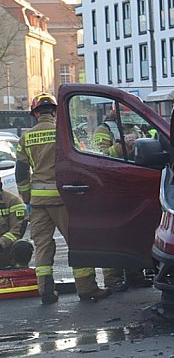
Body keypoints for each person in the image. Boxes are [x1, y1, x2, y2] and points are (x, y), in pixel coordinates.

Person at [16, 92, 112, 304]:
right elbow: (80, 161)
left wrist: (27, 198)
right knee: (77, 242)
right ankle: (87, 289)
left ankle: (46, 291)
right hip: (64, 198)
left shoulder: (26, 138)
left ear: (35, 114)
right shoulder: (64, 134)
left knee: (42, 246)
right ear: (55, 112)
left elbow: (21, 173)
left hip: (39, 203)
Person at [92, 107, 151, 291]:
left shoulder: (137, 129)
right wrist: (121, 146)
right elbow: (99, 157)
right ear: (116, 113)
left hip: (133, 186)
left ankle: (135, 274)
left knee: (134, 232)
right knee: (112, 234)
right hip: (111, 187)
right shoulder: (104, 130)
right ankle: (113, 279)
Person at [0, 188, 32, 268]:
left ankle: (19, 271)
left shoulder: (13, 201)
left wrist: (1, 243)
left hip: (5, 250)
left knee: (23, 247)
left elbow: (17, 230)